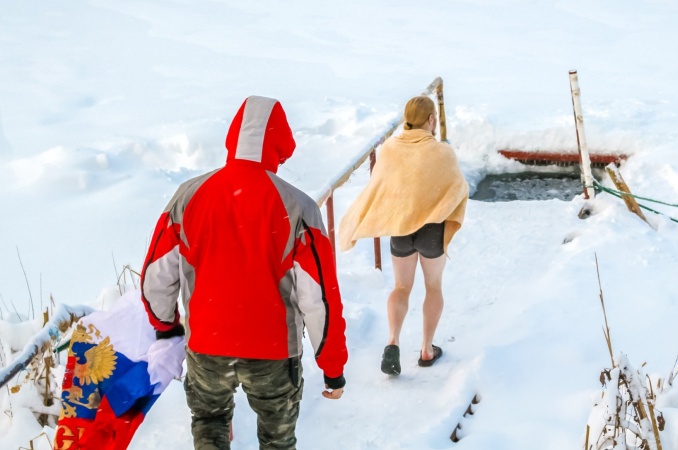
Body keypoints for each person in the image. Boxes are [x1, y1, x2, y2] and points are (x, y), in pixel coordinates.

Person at [140, 96, 348, 450]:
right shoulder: (299, 207)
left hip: (206, 345)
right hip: (274, 353)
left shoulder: (188, 196)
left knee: (209, 424)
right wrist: (332, 365)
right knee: (277, 440)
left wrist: (167, 327)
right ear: (280, 145)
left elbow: (156, 277)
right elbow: (318, 298)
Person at [338, 95, 468, 376]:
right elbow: (458, 188)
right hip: (432, 230)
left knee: (401, 287)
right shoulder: (442, 152)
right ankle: (426, 349)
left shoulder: (390, 149)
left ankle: (393, 342)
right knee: (433, 287)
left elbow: (381, 187)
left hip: (401, 229)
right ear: (432, 120)